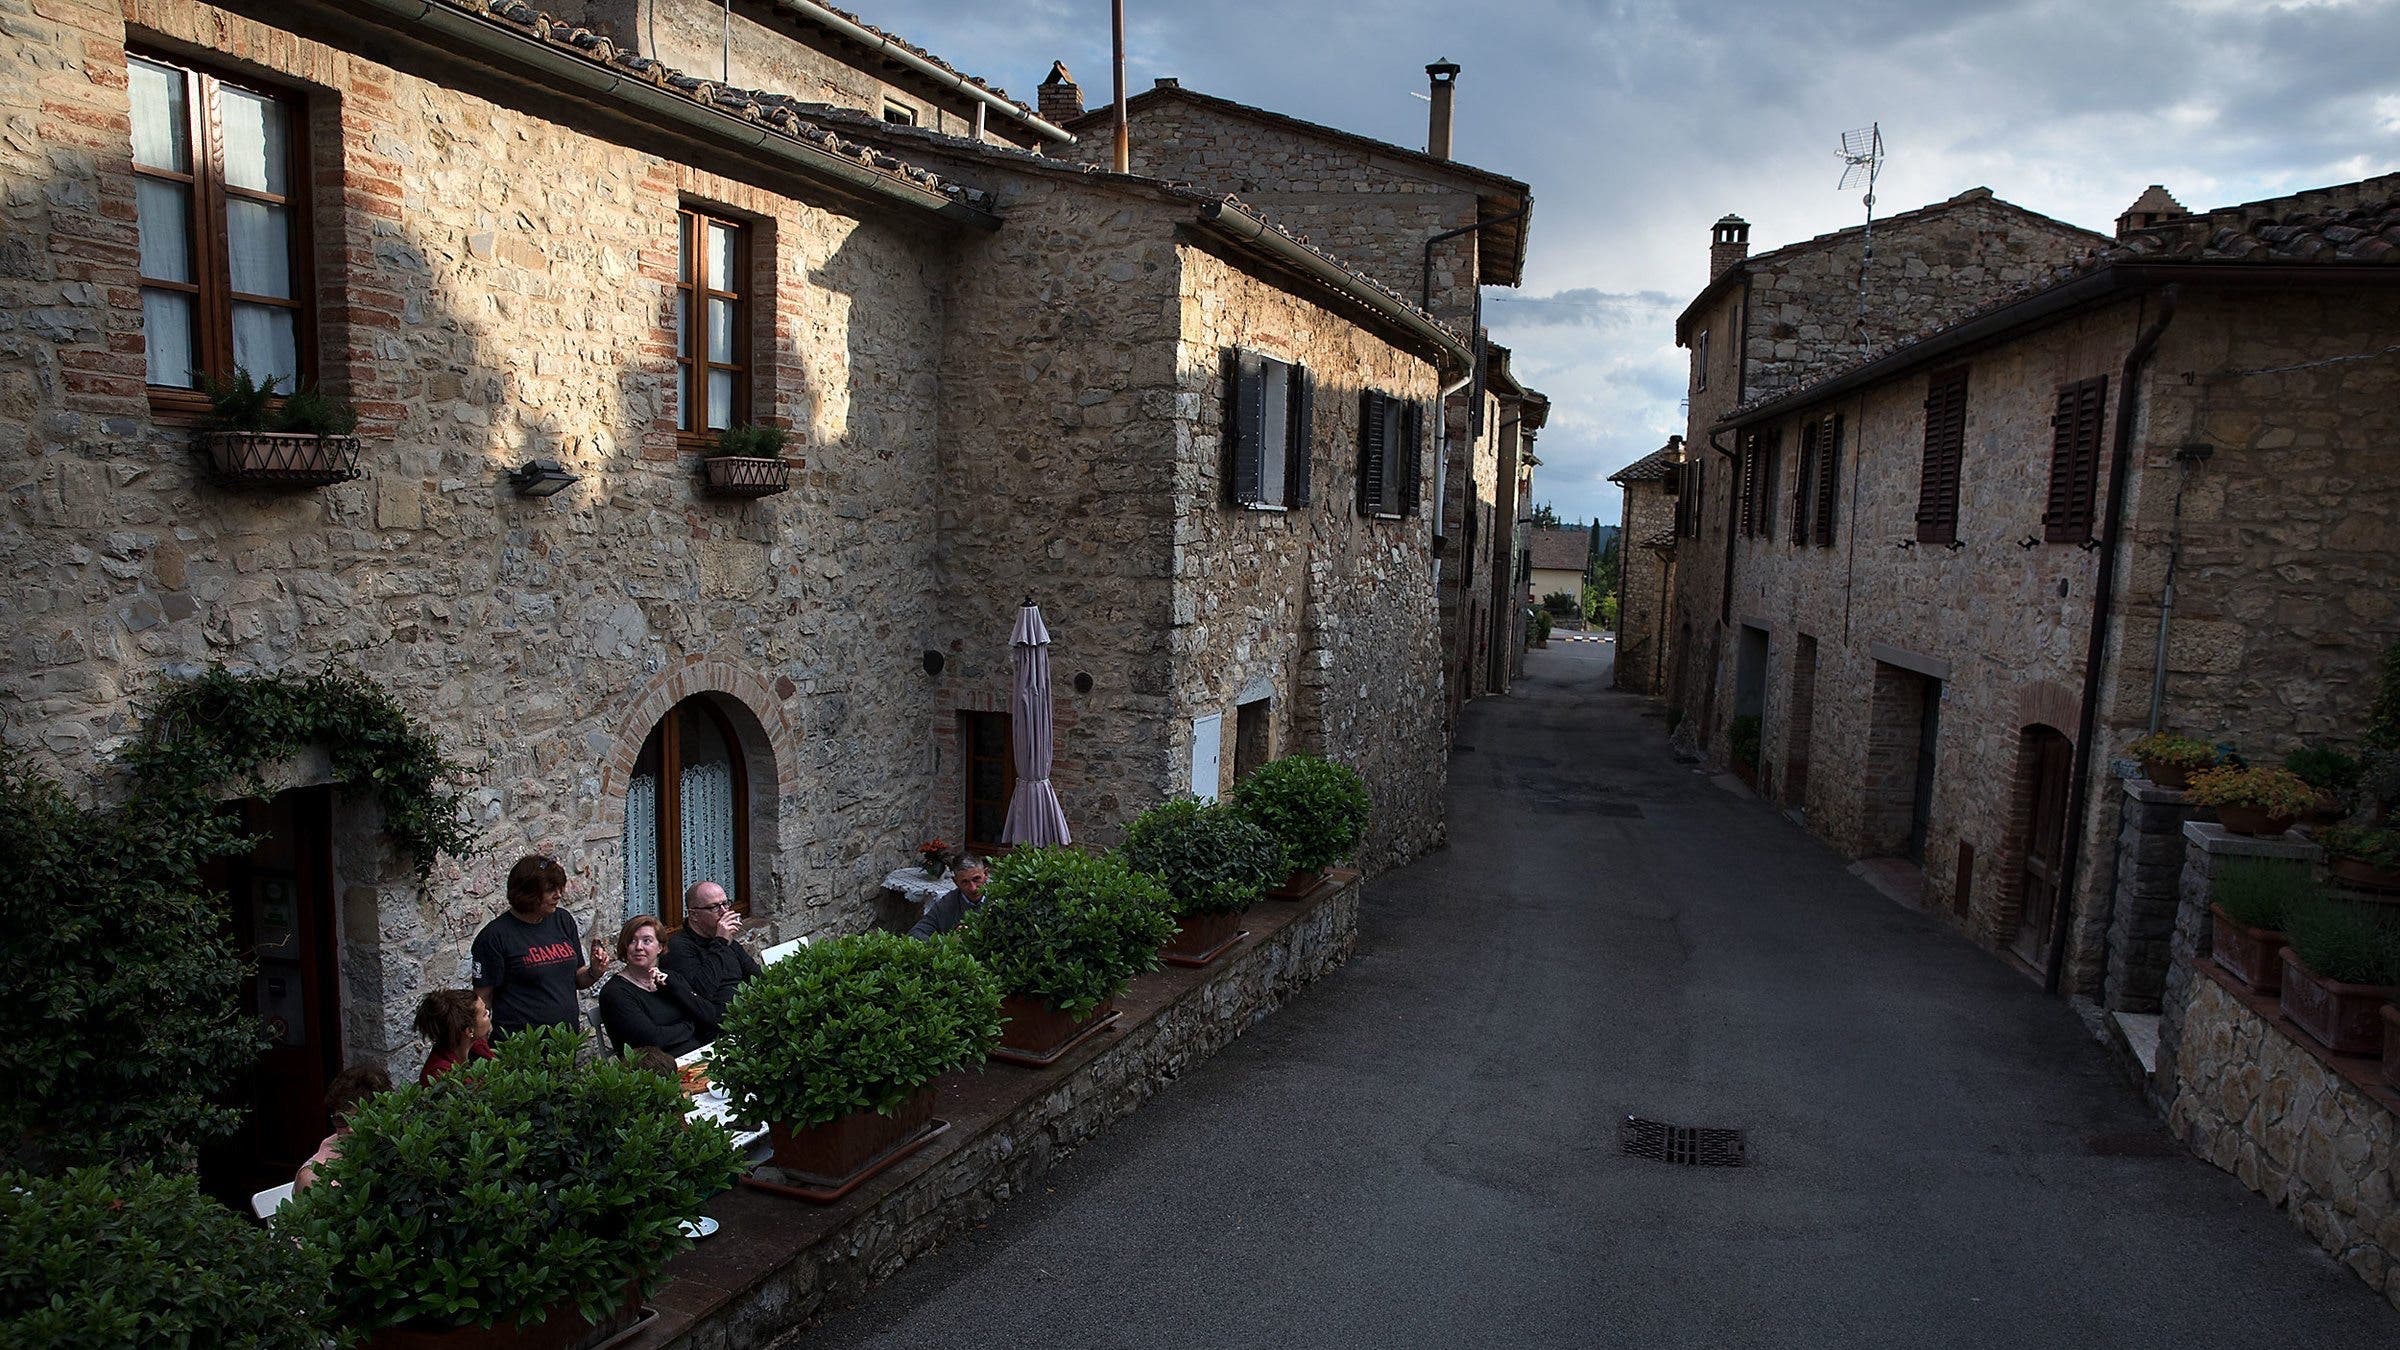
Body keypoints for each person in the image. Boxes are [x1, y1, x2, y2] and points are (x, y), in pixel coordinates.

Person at [472, 854, 609, 1040]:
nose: (558, 895)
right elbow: (482, 1000)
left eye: (559, 888)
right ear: (527, 893)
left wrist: (594, 971)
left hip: (565, 1044)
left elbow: (577, 978)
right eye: (550, 890)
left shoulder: (563, 920)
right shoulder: (495, 936)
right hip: (521, 1048)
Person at [598, 914, 715, 1055]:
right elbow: (651, 1039)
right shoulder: (615, 992)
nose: (639, 947)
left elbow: (709, 1016)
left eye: (647, 941)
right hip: (654, 1068)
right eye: (632, 941)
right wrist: (690, 1027)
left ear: (660, 947)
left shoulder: (671, 978)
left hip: (695, 1055)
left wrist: (676, 989)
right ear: (625, 947)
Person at [661, 880, 760, 1029]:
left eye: (725, 904)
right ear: (694, 915)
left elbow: (756, 975)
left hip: (747, 1016)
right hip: (716, 1028)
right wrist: (719, 942)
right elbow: (701, 993)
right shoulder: (678, 947)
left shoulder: (725, 939)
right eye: (715, 907)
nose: (724, 912)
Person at [294, 1062, 391, 1190]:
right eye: (341, 1120)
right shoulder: (313, 1177)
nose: (350, 1129)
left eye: (360, 1120)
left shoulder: (394, 1151)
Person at [413, 987, 495, 1084]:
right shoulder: (440, 1076)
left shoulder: (476, 1045)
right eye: (484, 1014)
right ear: (469, 1031)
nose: (489, 1013)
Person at [909, 856, 988, 938]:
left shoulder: (999, 898)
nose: (973, 888)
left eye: (976, 879)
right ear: (955, 881)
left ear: (986, 874)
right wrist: (946, 943)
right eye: (965, 882)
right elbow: (915, 933)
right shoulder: (946, 904)